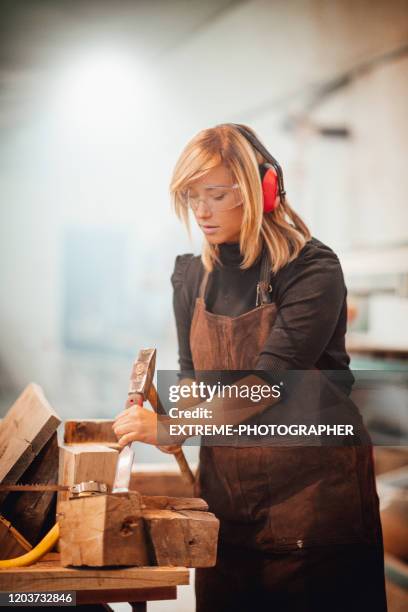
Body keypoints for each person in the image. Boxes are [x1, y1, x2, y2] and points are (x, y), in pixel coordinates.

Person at [113, 123, 387, 611]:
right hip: (226, 509)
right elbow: (193, 375)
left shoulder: (310, 270)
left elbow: (266, 386)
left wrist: (172, 425)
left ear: (260, 190)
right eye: (192, 196)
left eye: (216, 195)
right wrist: (181, 415)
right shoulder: (192, 276)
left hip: (311, 511)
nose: (201, 210)